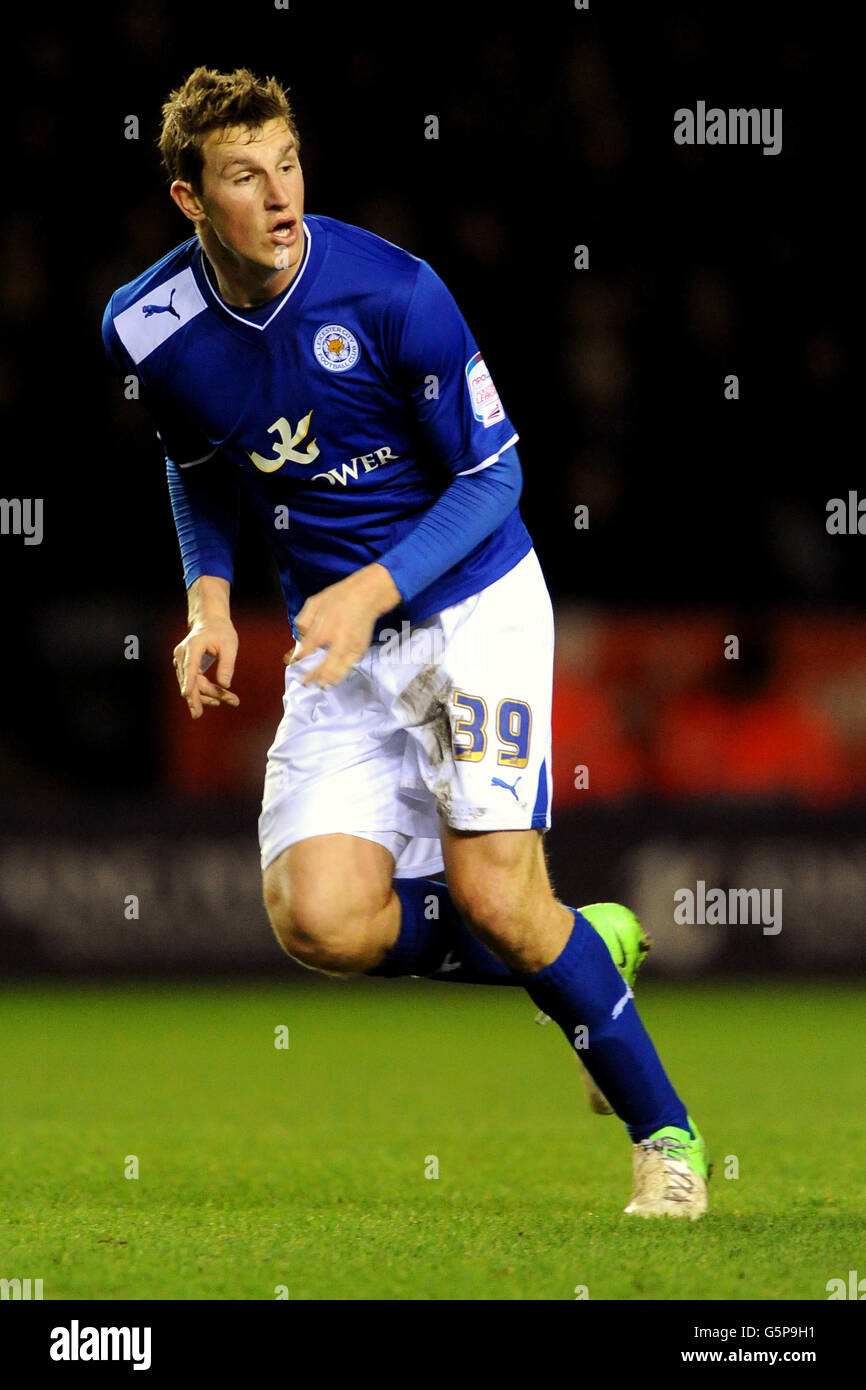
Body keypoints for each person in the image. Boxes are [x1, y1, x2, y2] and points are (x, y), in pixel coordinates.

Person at [102, 65, 708, 1218]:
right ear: (189, 200)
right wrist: (211, 602)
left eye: (287, 163)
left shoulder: (392, 294)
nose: (279, 197)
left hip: (466, 609)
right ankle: (587, 951)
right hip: (345, 644)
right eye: (244, 176)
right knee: (318, 919)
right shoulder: (146, 324)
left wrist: (369, 588)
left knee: (497, 900)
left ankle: (665, 1138)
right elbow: (196, 467)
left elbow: (495, 479)